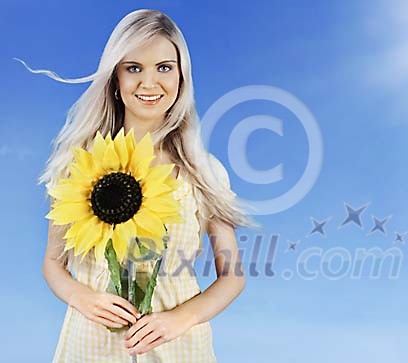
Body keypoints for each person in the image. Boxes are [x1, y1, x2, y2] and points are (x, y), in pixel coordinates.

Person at [18, 8, 260, 362]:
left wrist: (181, 318)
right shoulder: (80, 165)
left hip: (177, 350)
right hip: (91, 348)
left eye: (164, 67)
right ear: (115, 79)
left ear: (182, 78)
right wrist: (83, 298)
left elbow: (232, 277)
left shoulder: (205, 173)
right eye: (134, 68)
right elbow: (53, 263)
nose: (149, 83)